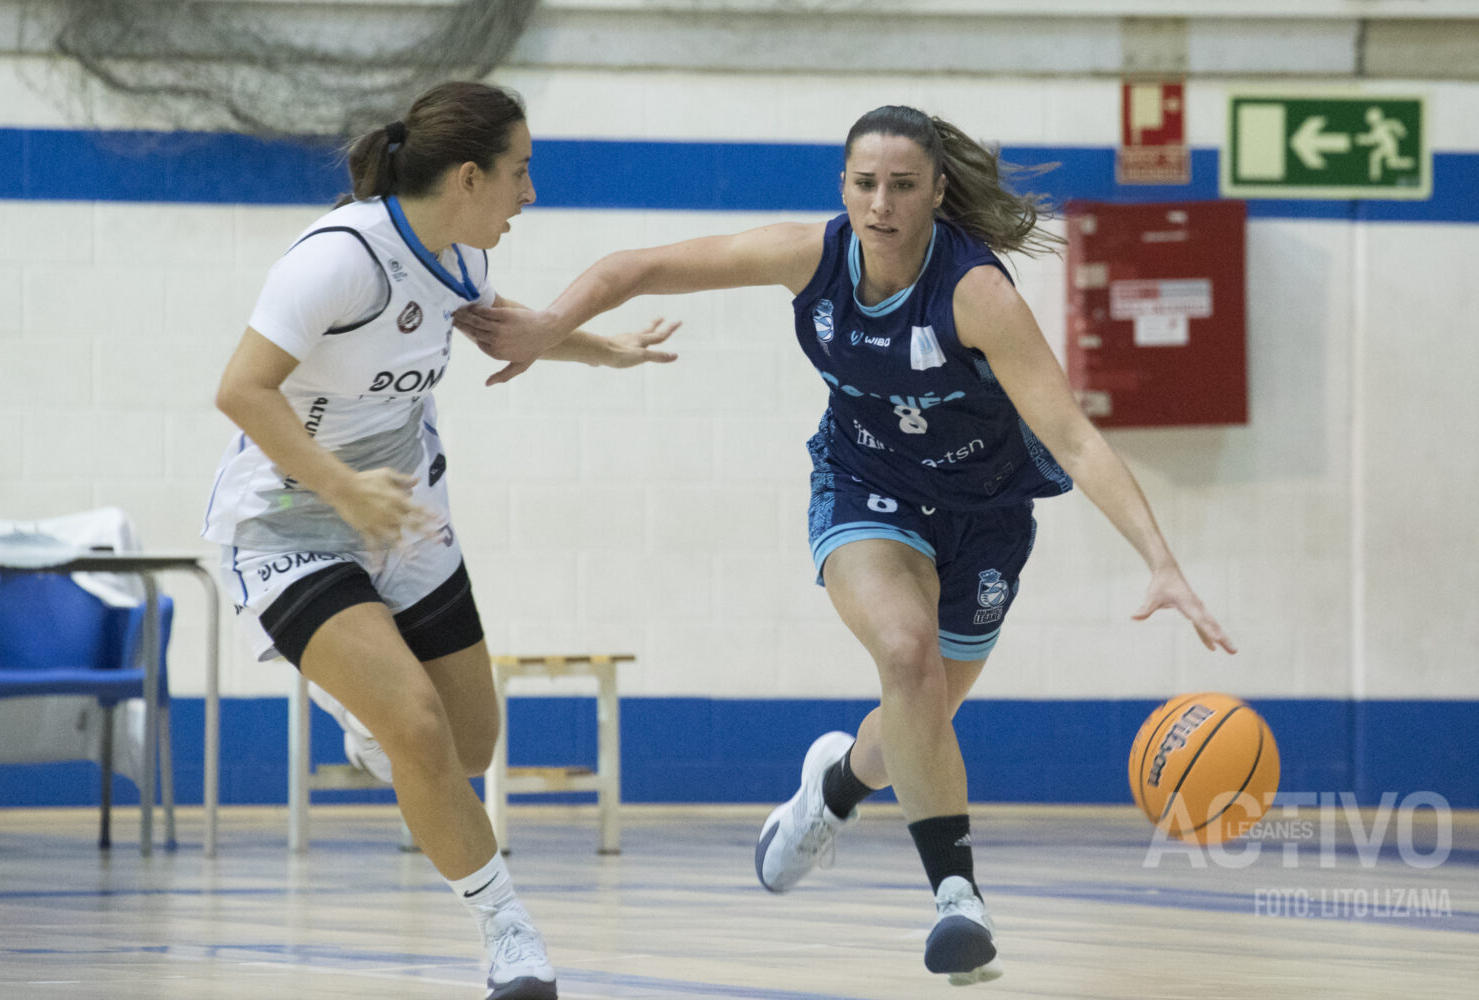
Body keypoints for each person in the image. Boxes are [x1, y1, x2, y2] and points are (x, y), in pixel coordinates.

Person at [453, 104, 1236, 987]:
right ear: (843, 188)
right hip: (868, 485)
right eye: (865, 184)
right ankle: (958, 899)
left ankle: (833, 788)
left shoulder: (977, 294)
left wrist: (1160, 560)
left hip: (986, 512)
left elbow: (1077, 438)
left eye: (903, 185)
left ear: (938, 192)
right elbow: (637, 267)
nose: (882, 203)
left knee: (922, 713)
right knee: (908, 660)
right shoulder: (814, 257)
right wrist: (550, 327)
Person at [202, 81, 676, 1000]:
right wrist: (341, 486)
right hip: (288, 523)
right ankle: (509, 935)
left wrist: (599, 347)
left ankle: (380, 732)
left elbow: (509, 332)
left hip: (407, 515)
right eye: (520, 172)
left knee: (468, 748)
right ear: (468, 176)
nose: (530, 193)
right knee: (414, 725)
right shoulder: (338, 260)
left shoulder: (458, 258)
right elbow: (241, 390)